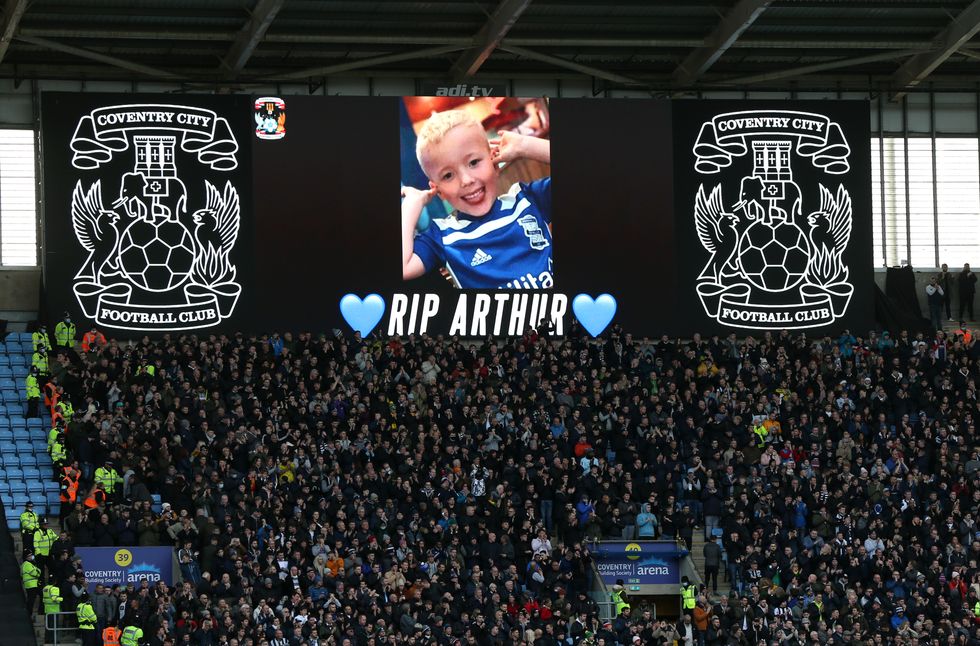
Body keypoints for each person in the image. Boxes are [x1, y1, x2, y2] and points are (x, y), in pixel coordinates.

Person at [401, 109, 552, 289]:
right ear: (438, 191)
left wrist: (524, 146)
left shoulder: (528, 199)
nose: (466, 180)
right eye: (448, 175)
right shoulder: (442, 235)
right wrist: (411, 206)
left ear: (494, 160)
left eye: (473, 163)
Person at [42, 575, 63, 643]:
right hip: (54, 610)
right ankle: (54, 640)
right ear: (55, 582)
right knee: (54, 626)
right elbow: (54, 598)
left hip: (47, 610)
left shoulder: (45, 588)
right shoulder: (55, 588)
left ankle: (47, 640)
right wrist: (62, 599)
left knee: (48, 626)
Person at [21, 551, 41, 616]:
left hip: (32, 585)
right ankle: (28, 615)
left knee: (32, 600)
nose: (31, 556)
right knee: (31, 601)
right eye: (29, 555)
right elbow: (36, 573)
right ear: (26, 557)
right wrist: (38, 570)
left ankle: (29, 614)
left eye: (31, 555)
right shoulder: (27, 564)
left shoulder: (30, 564)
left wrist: (37, 570)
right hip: (31, 585)